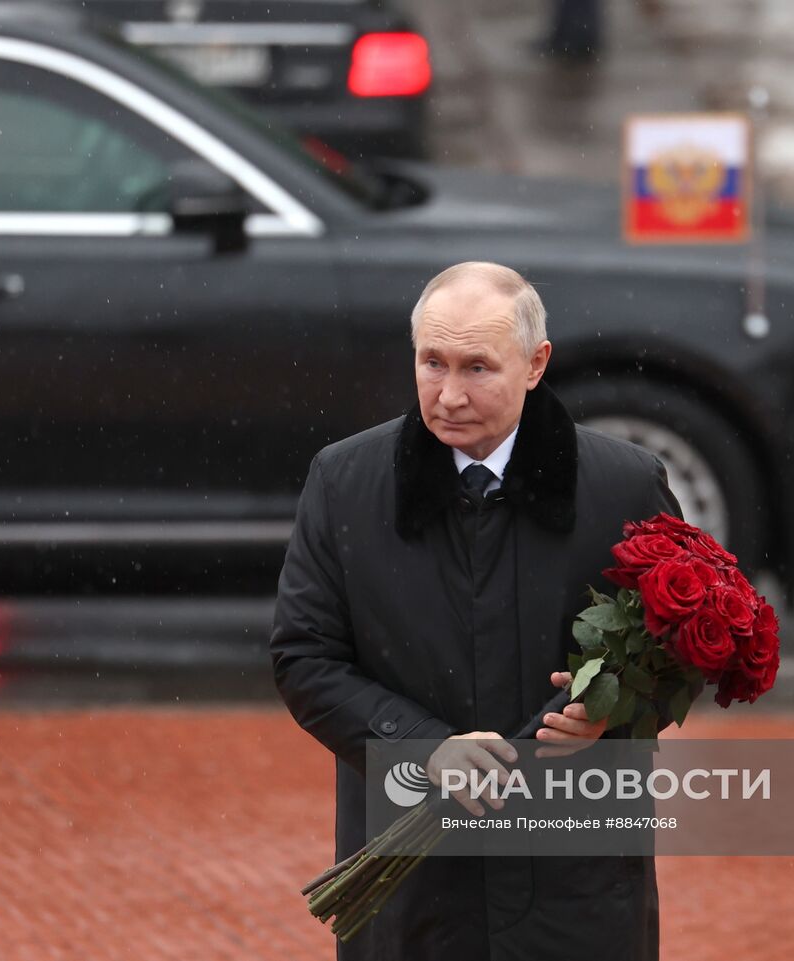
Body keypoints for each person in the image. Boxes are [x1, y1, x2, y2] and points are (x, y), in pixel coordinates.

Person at [269, 262, 680, 960]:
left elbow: (682, 651)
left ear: (535, 364)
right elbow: (304, 657)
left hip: (576, 888)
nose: (449, 394)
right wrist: (424, 746)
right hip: (416, 898)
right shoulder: (344, 481)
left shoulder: (624, 486)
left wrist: (618, 712)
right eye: (432, 362)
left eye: (478, 368)